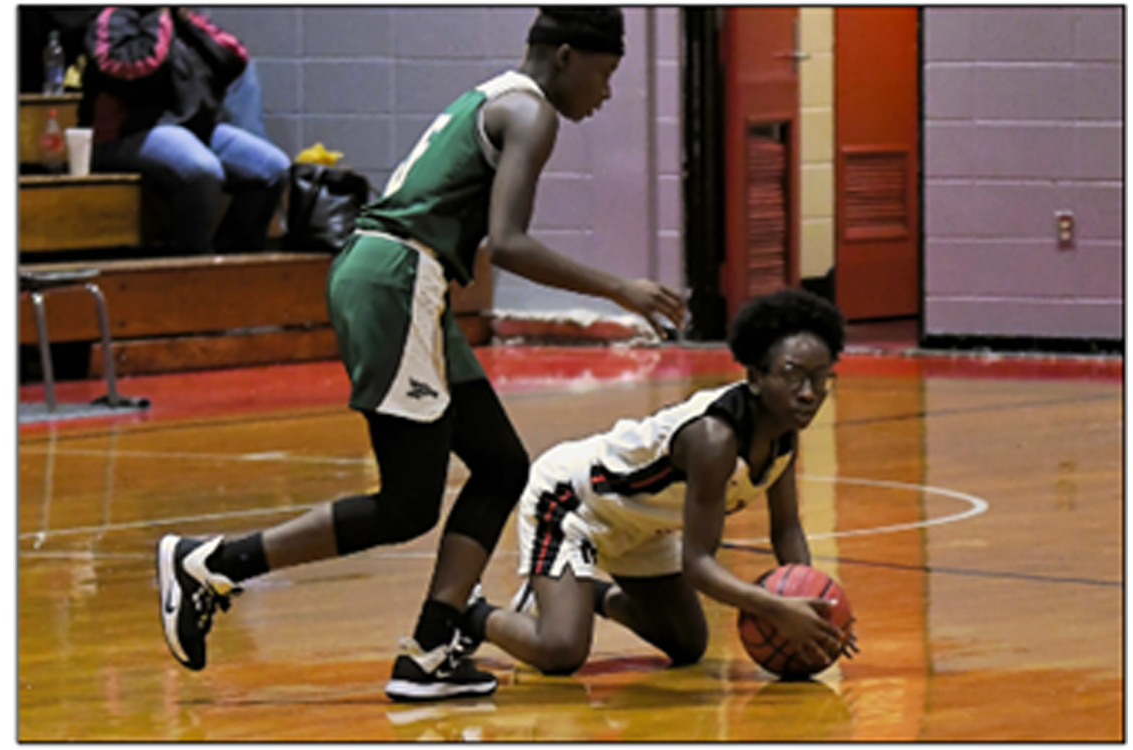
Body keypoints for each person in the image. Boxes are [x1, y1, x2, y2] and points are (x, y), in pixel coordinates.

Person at [155, 6, 685, 704]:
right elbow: (509, 243)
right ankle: (212, 564)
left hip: (406, 280)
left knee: (501, 466)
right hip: (398, 278)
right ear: (565, 56)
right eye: (606, 72)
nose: (607, 91)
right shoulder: (533, 113)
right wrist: (621, 288)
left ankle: (432, 647)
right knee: (408, 503)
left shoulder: (495, 95)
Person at [456, 289, 858, 677]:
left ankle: (582, 594)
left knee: (687, 643)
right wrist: (775, 608)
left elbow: (786, 530)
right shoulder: (713, 439)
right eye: (793, 376)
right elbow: (699, 564)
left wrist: (816, 609)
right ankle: (469, 613)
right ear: (755, 377)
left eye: (820, 378)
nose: (808, 393)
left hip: (643, 525)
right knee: (561, 651)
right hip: (572, 504)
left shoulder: (783, 435)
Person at [79, 7, 290, 255]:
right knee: (203, 168)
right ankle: (194, 260)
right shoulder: (112, 18)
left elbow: (234, 58)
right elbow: (133, 65)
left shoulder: (181, 21)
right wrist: (159, 17)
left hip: (194, 128)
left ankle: (235, 257)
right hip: (131, 132)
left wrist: (189, 23)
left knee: (273, 167)